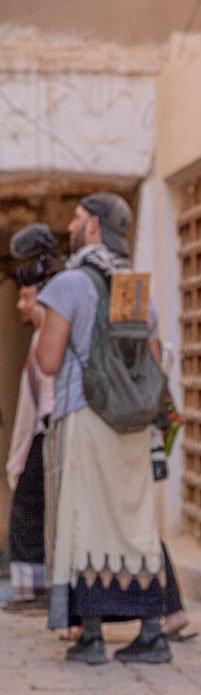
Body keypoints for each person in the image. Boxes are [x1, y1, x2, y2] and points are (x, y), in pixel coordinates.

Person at [36, 193, 172, 665]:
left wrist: (41, 320)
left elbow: (48, 361)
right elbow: (152, 358)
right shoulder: (135, 288)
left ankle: (91, 635)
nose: (71, 226)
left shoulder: (70, 284)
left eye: (76, 218)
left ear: (92, 225)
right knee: (135, 522)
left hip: (87, 413)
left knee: (85, 520)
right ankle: (152, 632)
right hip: (133, 420)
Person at [2, 225, 60, 611]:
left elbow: (50, 399)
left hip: (45, 435)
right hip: (38, 436)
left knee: (29, 513)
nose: (21, 306)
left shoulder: (50, 336)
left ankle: (34, 591)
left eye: (27, 297)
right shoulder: (43, 335)